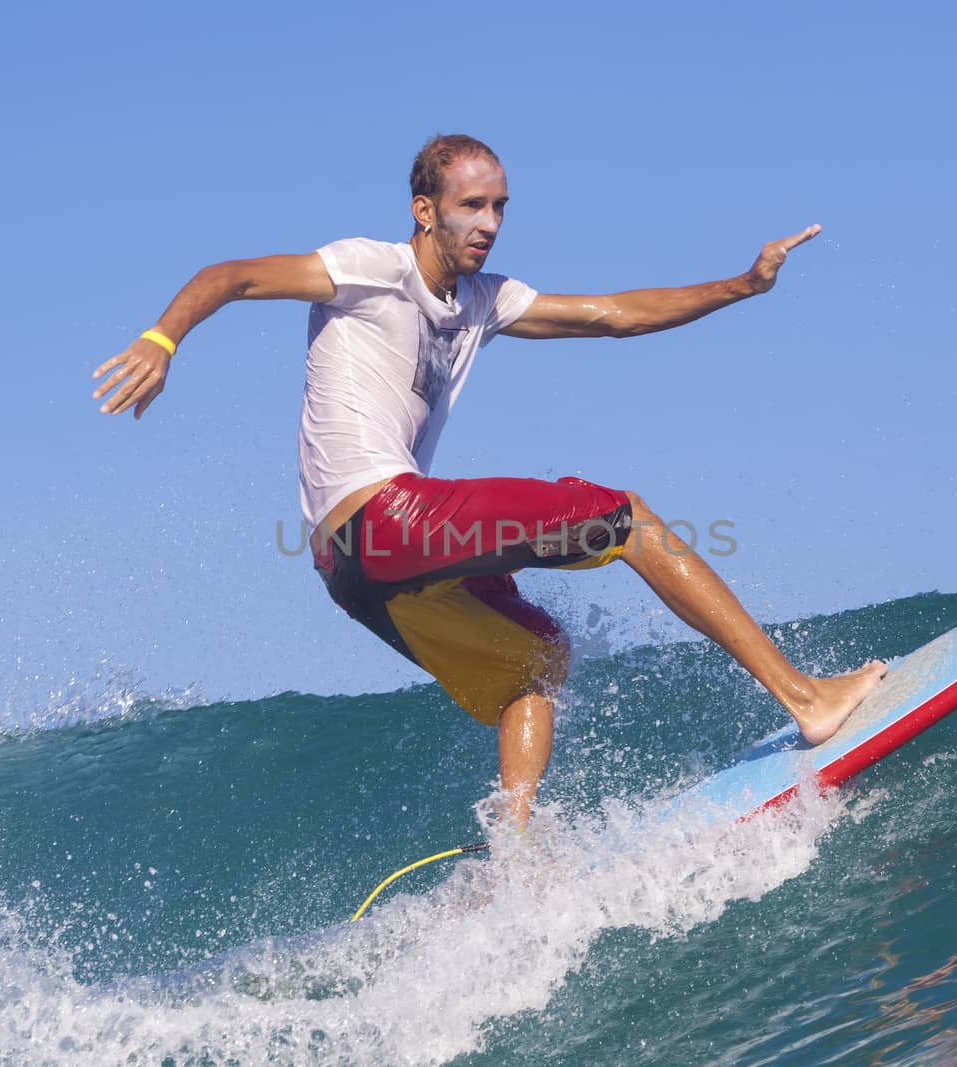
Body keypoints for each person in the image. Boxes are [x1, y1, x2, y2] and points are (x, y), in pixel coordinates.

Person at [91, 134, 886, 824]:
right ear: (424, 210)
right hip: (384, 518)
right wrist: (163, 339)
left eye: (501, 206)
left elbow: (613, 314)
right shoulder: (368, 267)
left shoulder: (483, 300)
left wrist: (740, 286)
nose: (490, 224)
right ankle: (805, 699)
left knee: (535, 659)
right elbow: (228, 275)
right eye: (471, 205)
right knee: (629, 519)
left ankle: (515, 854)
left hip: (350, 571)